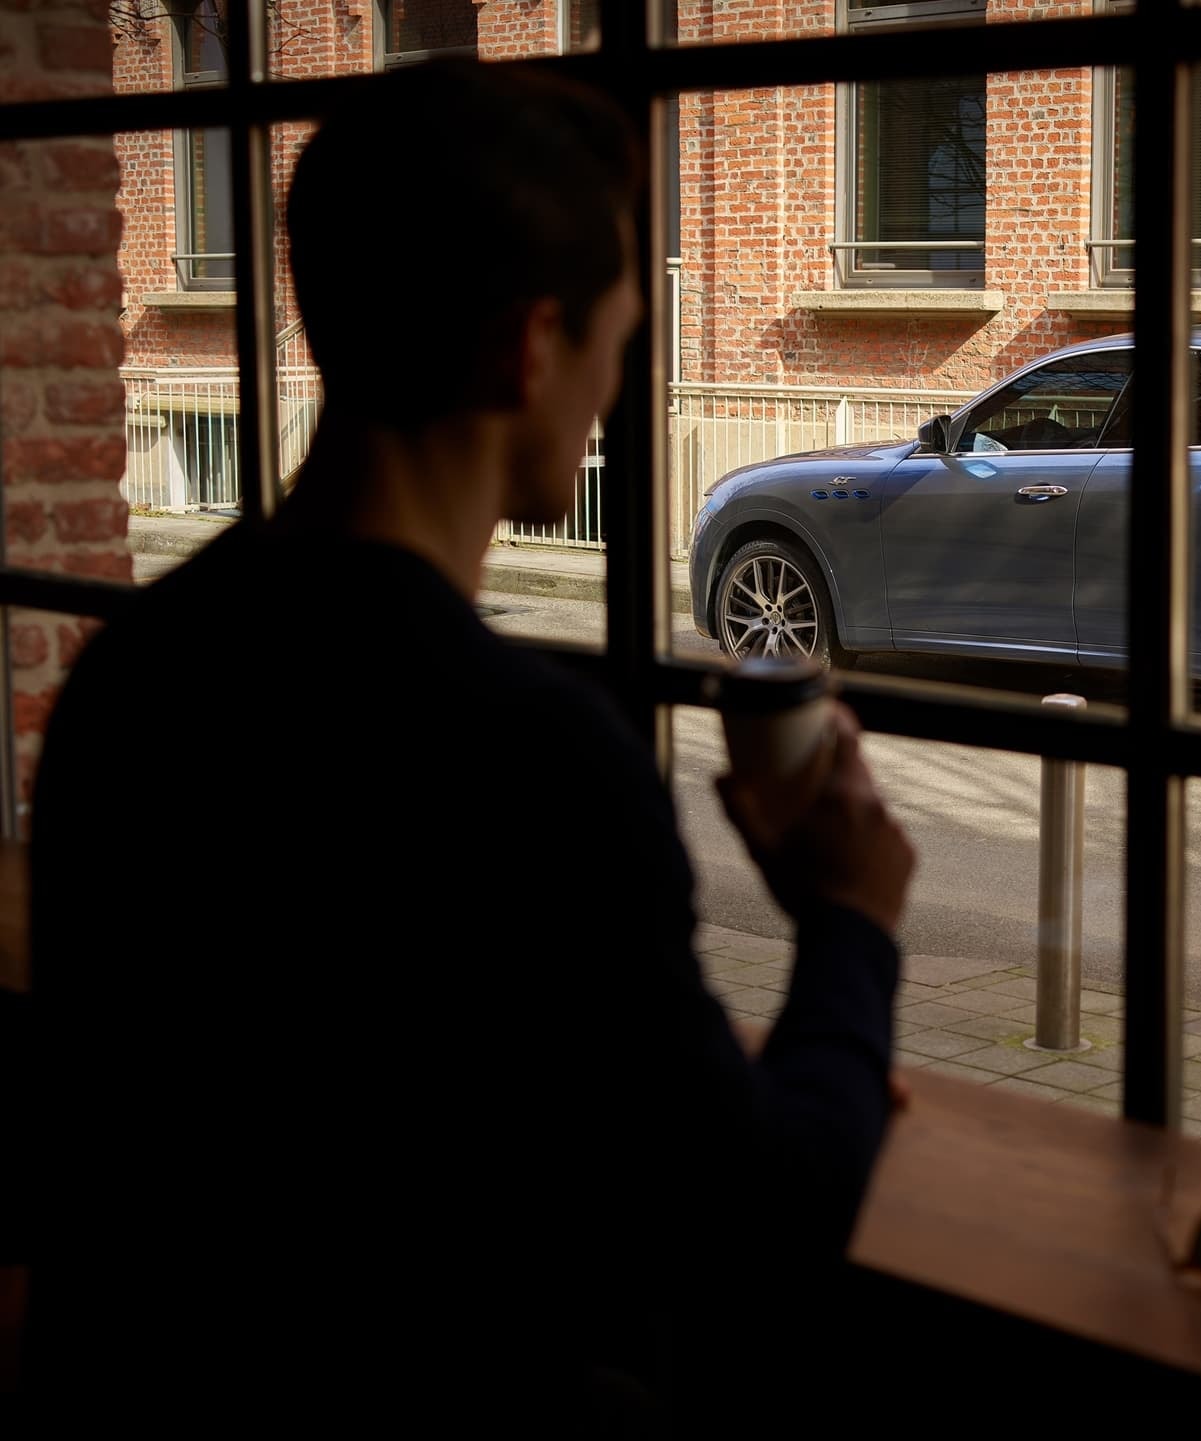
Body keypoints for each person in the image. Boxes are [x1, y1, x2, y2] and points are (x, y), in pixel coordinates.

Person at [21, 58, 915, 1436]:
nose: (620, 380)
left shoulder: (135, 675)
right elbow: (752, 1236)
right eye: (620, 331)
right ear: (530, 347)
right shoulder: (533, 755)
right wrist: (852, 922)